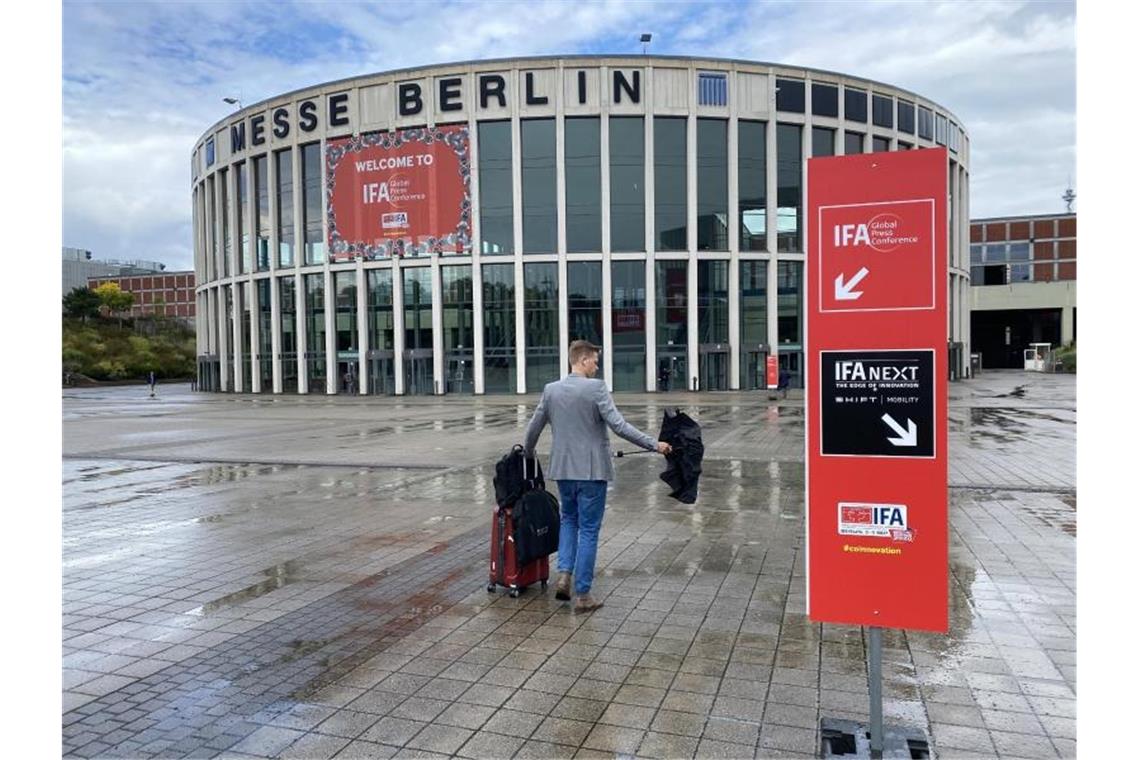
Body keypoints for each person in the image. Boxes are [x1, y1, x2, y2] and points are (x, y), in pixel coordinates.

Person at [524, 340, 671, 612]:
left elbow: (534, 427)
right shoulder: (596, 388)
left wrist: (529, 453)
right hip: (592, 472)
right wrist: (654, 444)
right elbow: (619, 426)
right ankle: (583, 595)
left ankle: (564, 575)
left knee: (568, 520)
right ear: (581, 360)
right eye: (594, 360)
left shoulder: (551, 390)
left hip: (564, 471)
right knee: (589, 530)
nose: (597, 365)